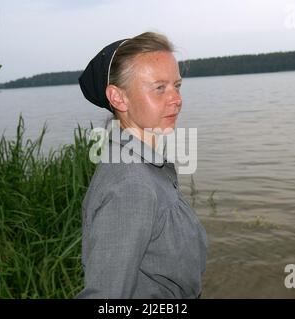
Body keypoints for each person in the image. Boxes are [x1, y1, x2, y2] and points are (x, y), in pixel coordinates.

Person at [76, 32, 208, 299]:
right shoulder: (131, 185)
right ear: (118, 98)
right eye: (159, 88)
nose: (176, 99)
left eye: (177, 85)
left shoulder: (146, 165)